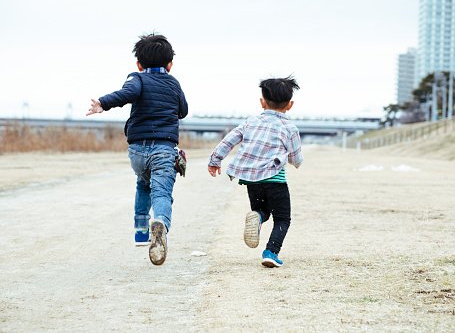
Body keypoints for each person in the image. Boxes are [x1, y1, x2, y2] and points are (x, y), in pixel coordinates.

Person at [87, 33, 188, 266]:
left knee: (143, 184)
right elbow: (183, 110)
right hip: (164, 148)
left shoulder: (137, 79)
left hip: (138, 151)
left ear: (139, 64)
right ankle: (160, 222)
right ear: (170, 64)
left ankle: (141, 231)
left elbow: (127, 94)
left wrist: (103, 103)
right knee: (161, 191)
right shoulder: (173, 83)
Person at [208, 76, 303, 268]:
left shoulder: (250, 122)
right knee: (282, 218)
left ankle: (258, 217)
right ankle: (271, 252)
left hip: (251, 181)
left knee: (262, 209)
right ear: (290, 105)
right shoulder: (289, 128)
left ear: (262, 102)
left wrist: (215, 160)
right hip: (275, 180)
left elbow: (229, 140)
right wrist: (293, 160)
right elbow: (296, 158)